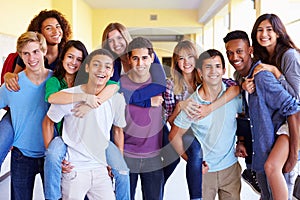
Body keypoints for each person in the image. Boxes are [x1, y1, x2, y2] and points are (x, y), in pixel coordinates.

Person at [42, 40, 128, 200]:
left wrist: (116, 162)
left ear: (111, 73)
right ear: (87, 68)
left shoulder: (115, 97)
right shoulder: (67, 95)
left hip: (100, 169)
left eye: (107, 67)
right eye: (97, 65)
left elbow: (118, 130)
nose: (102, 70)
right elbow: (48, 118)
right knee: (53, 155)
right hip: (75, 168)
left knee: (123, 172)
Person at [223, 30, 300, 200]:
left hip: (276, 158)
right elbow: (247, 116)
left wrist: (294, 155)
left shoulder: (262, 77)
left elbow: (293, 108)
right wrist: (241, 141)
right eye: (229, 53)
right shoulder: (243, 80)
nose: (234, 57)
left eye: (239, 51)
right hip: (260, 155)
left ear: (250, 50)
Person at [0, 9, 72, 171]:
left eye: (58, 26)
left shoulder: (66, 55)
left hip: (51, 108)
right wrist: (7, 76)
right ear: (39, 34)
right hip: (21, 108)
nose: (55, 31)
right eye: (48, 28)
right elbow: (16, 79)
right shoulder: (29, 52)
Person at [169, 49, 243, 200]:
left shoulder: (233, 97)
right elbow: (174, 136)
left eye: (217, 66)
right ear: (200, 72)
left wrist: (241, 140)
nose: (213, 71)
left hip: (230, 170)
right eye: (208, 67)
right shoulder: (193, 104)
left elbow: (244, 118)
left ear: (223, 70)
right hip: (205, 173)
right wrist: (191, 161)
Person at [249, 13, 300, 200]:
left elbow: (296, 97)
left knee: (272, 166)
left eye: (269, 30)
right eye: (260, 30)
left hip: (295, 121)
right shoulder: (262, 57)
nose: (264, 34)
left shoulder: (289, 55)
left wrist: (276, 72)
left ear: (278, 33)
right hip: (282, 122)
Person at [0, 31, 52, 199]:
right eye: (26, 53)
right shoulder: (12, 84)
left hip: (50, 156)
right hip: (21, 157)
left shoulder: (56, 81)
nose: (31, 58)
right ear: (20, 56)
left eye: (35, 51)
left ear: (44, 50)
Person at [119, 37, 165, 200]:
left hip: (153, 157)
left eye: (145, 58)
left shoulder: (159, 85)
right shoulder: (120, 84)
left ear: (152, 59)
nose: (140, 63)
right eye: (135, 58)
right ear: (129, 60)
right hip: (126, 155)